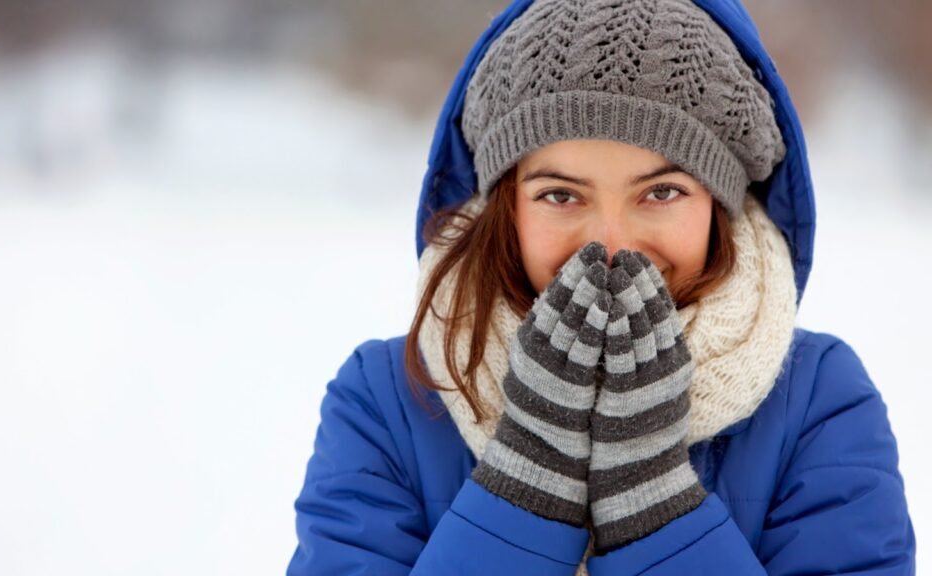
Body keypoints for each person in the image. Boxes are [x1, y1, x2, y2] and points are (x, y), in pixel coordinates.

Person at [288, 0, 917, 573]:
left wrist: (657, 510)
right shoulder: (386, 401)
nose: (612, 245)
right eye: (560, 195)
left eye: (661, 192)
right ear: (505, 207)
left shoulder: (817, 401)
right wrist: (525, 492)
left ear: (721, 206)